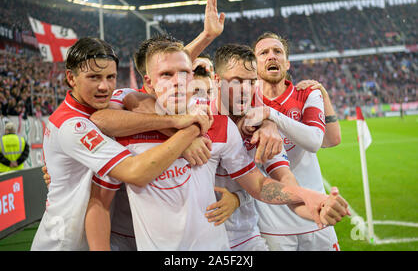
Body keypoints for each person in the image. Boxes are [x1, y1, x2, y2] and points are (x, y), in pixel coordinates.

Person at [87, 41, 349, 251]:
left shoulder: (228, 126)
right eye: (166, 74)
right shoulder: (128, 126)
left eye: (184, 74)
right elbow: (104, 119)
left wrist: (310, 198)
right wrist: (183, 132)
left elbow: (260, 184)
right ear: (148, 83)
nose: (177, 81)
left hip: (236, 241)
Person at [31, 37, 210, 251]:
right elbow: (135, 172)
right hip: (65, 242)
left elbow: (165, 68)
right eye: (93, 77)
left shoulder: (111, 103)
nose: (103, 86)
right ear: (71, 78)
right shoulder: (73, 125)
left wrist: (207, 36)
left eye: (111, 77)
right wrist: (188, 132)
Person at [243, 31, 344, 251]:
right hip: (273, 225)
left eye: (277, 52)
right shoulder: (243, 102)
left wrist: (270, 114)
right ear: (253, 64)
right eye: (264, 52)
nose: (272, 56)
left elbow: (315, 141)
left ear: (287, 63)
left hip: (317, 214)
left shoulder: (306, 93)